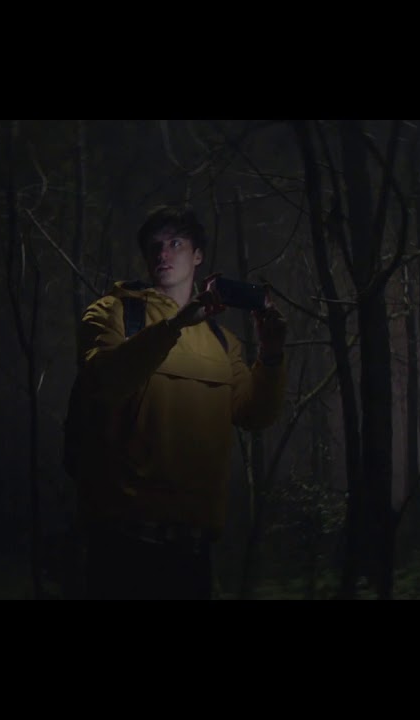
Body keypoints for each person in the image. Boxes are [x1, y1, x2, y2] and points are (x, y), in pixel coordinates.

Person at [71, 207, 287, 600]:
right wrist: (175, 326)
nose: (163, 253)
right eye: (155, 246)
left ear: (198, 255)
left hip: (193, 550)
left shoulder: (222, 343)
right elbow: (104, 381)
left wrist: (271, 355)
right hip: (123, 543)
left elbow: (254, 414)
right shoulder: (112, 312)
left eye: (175, 243)